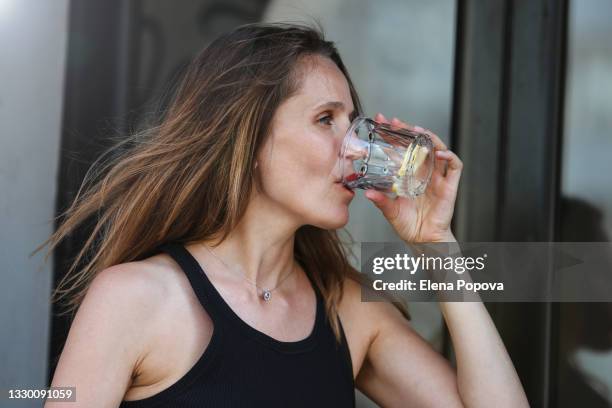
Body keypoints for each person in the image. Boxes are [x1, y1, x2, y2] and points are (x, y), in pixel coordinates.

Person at [42, 22, 528, 407]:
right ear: (249, 138)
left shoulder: (347, 309)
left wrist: (438, 244)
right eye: (325, 120)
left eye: (354, 124)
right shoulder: (135, 299)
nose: (358, 151)